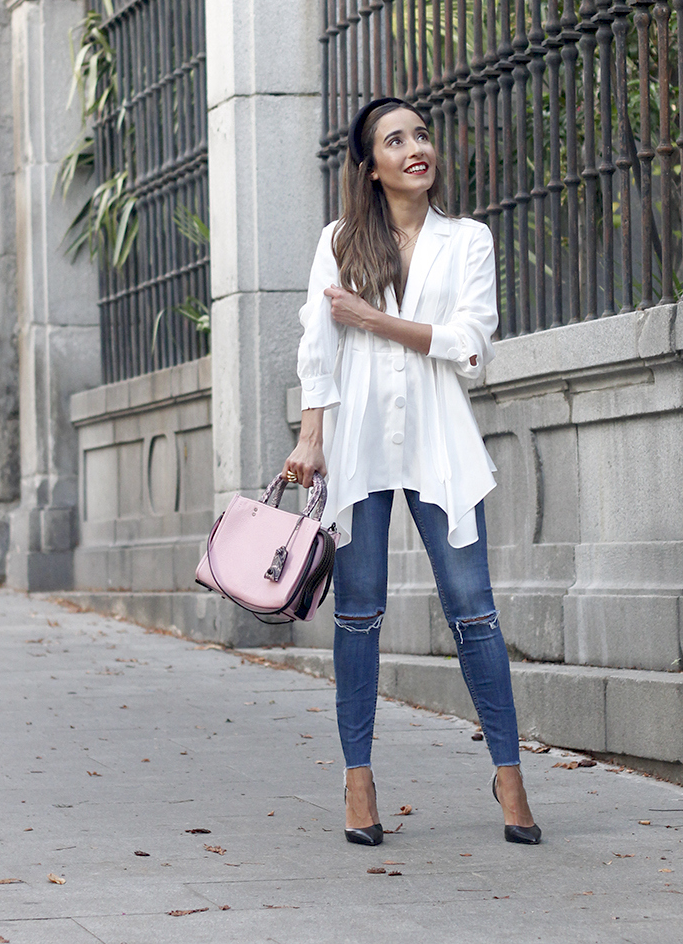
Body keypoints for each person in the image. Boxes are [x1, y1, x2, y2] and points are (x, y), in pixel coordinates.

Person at [282, 96, 541, 847]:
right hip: (358, 438)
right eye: (395, 140)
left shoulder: (468, 240)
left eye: (421, 135)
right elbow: (318, 345)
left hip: (439, 437)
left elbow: (471, 344)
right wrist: (311, 436)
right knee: (358, 612)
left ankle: (509, 774)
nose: (415, 148)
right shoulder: (339, 242)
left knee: (474, 611)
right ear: (371, 166)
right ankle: (358, 778)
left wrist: (373, 319)